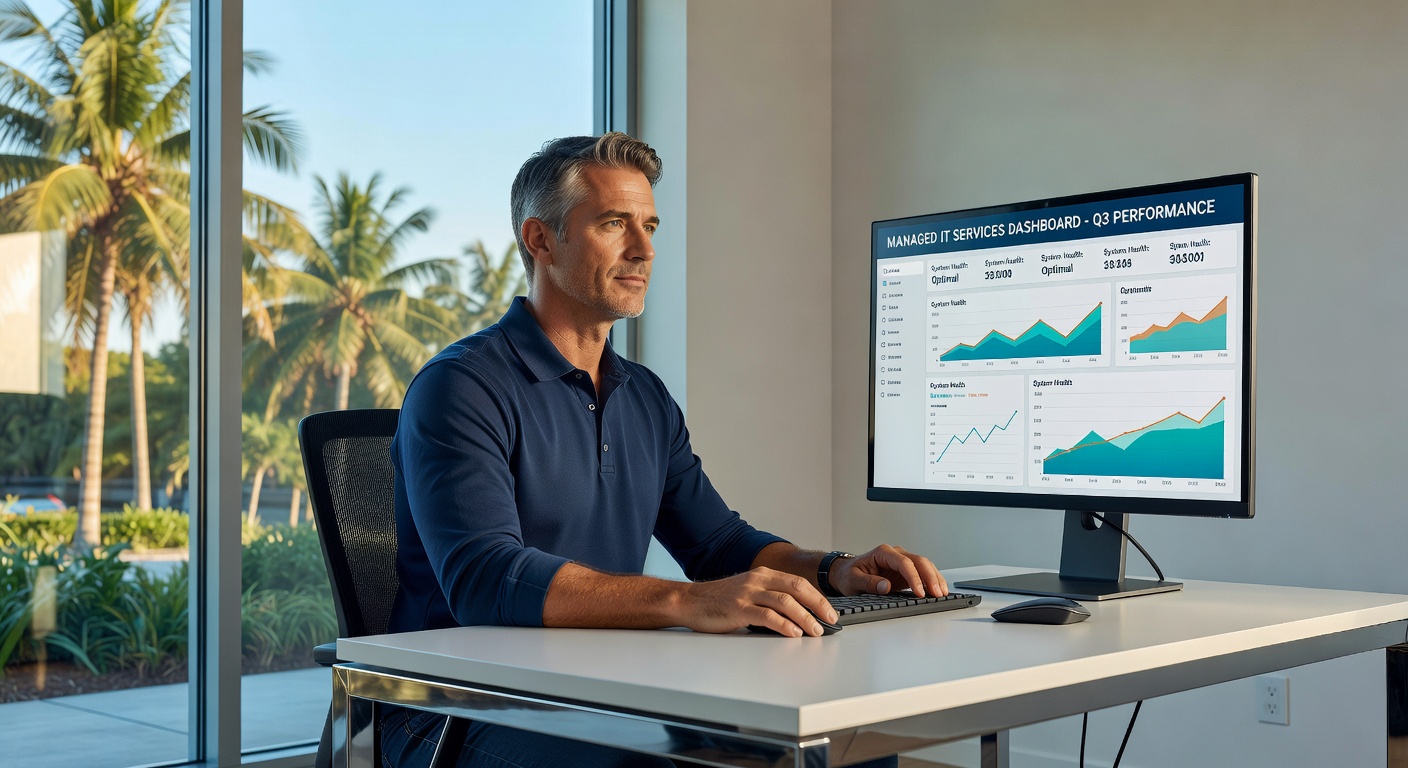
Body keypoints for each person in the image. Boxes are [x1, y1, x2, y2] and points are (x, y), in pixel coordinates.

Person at [382, 133, 948, 768]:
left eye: (649, 225)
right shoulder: (460, 386)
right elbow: (485, 578)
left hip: (607, 692)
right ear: (540, 240)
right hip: (456, 709)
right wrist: (686, 600)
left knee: (846, 749)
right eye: (614, 224)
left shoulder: (643, 397)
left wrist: (835, 569)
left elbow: (718, 545)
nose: (644, 249)